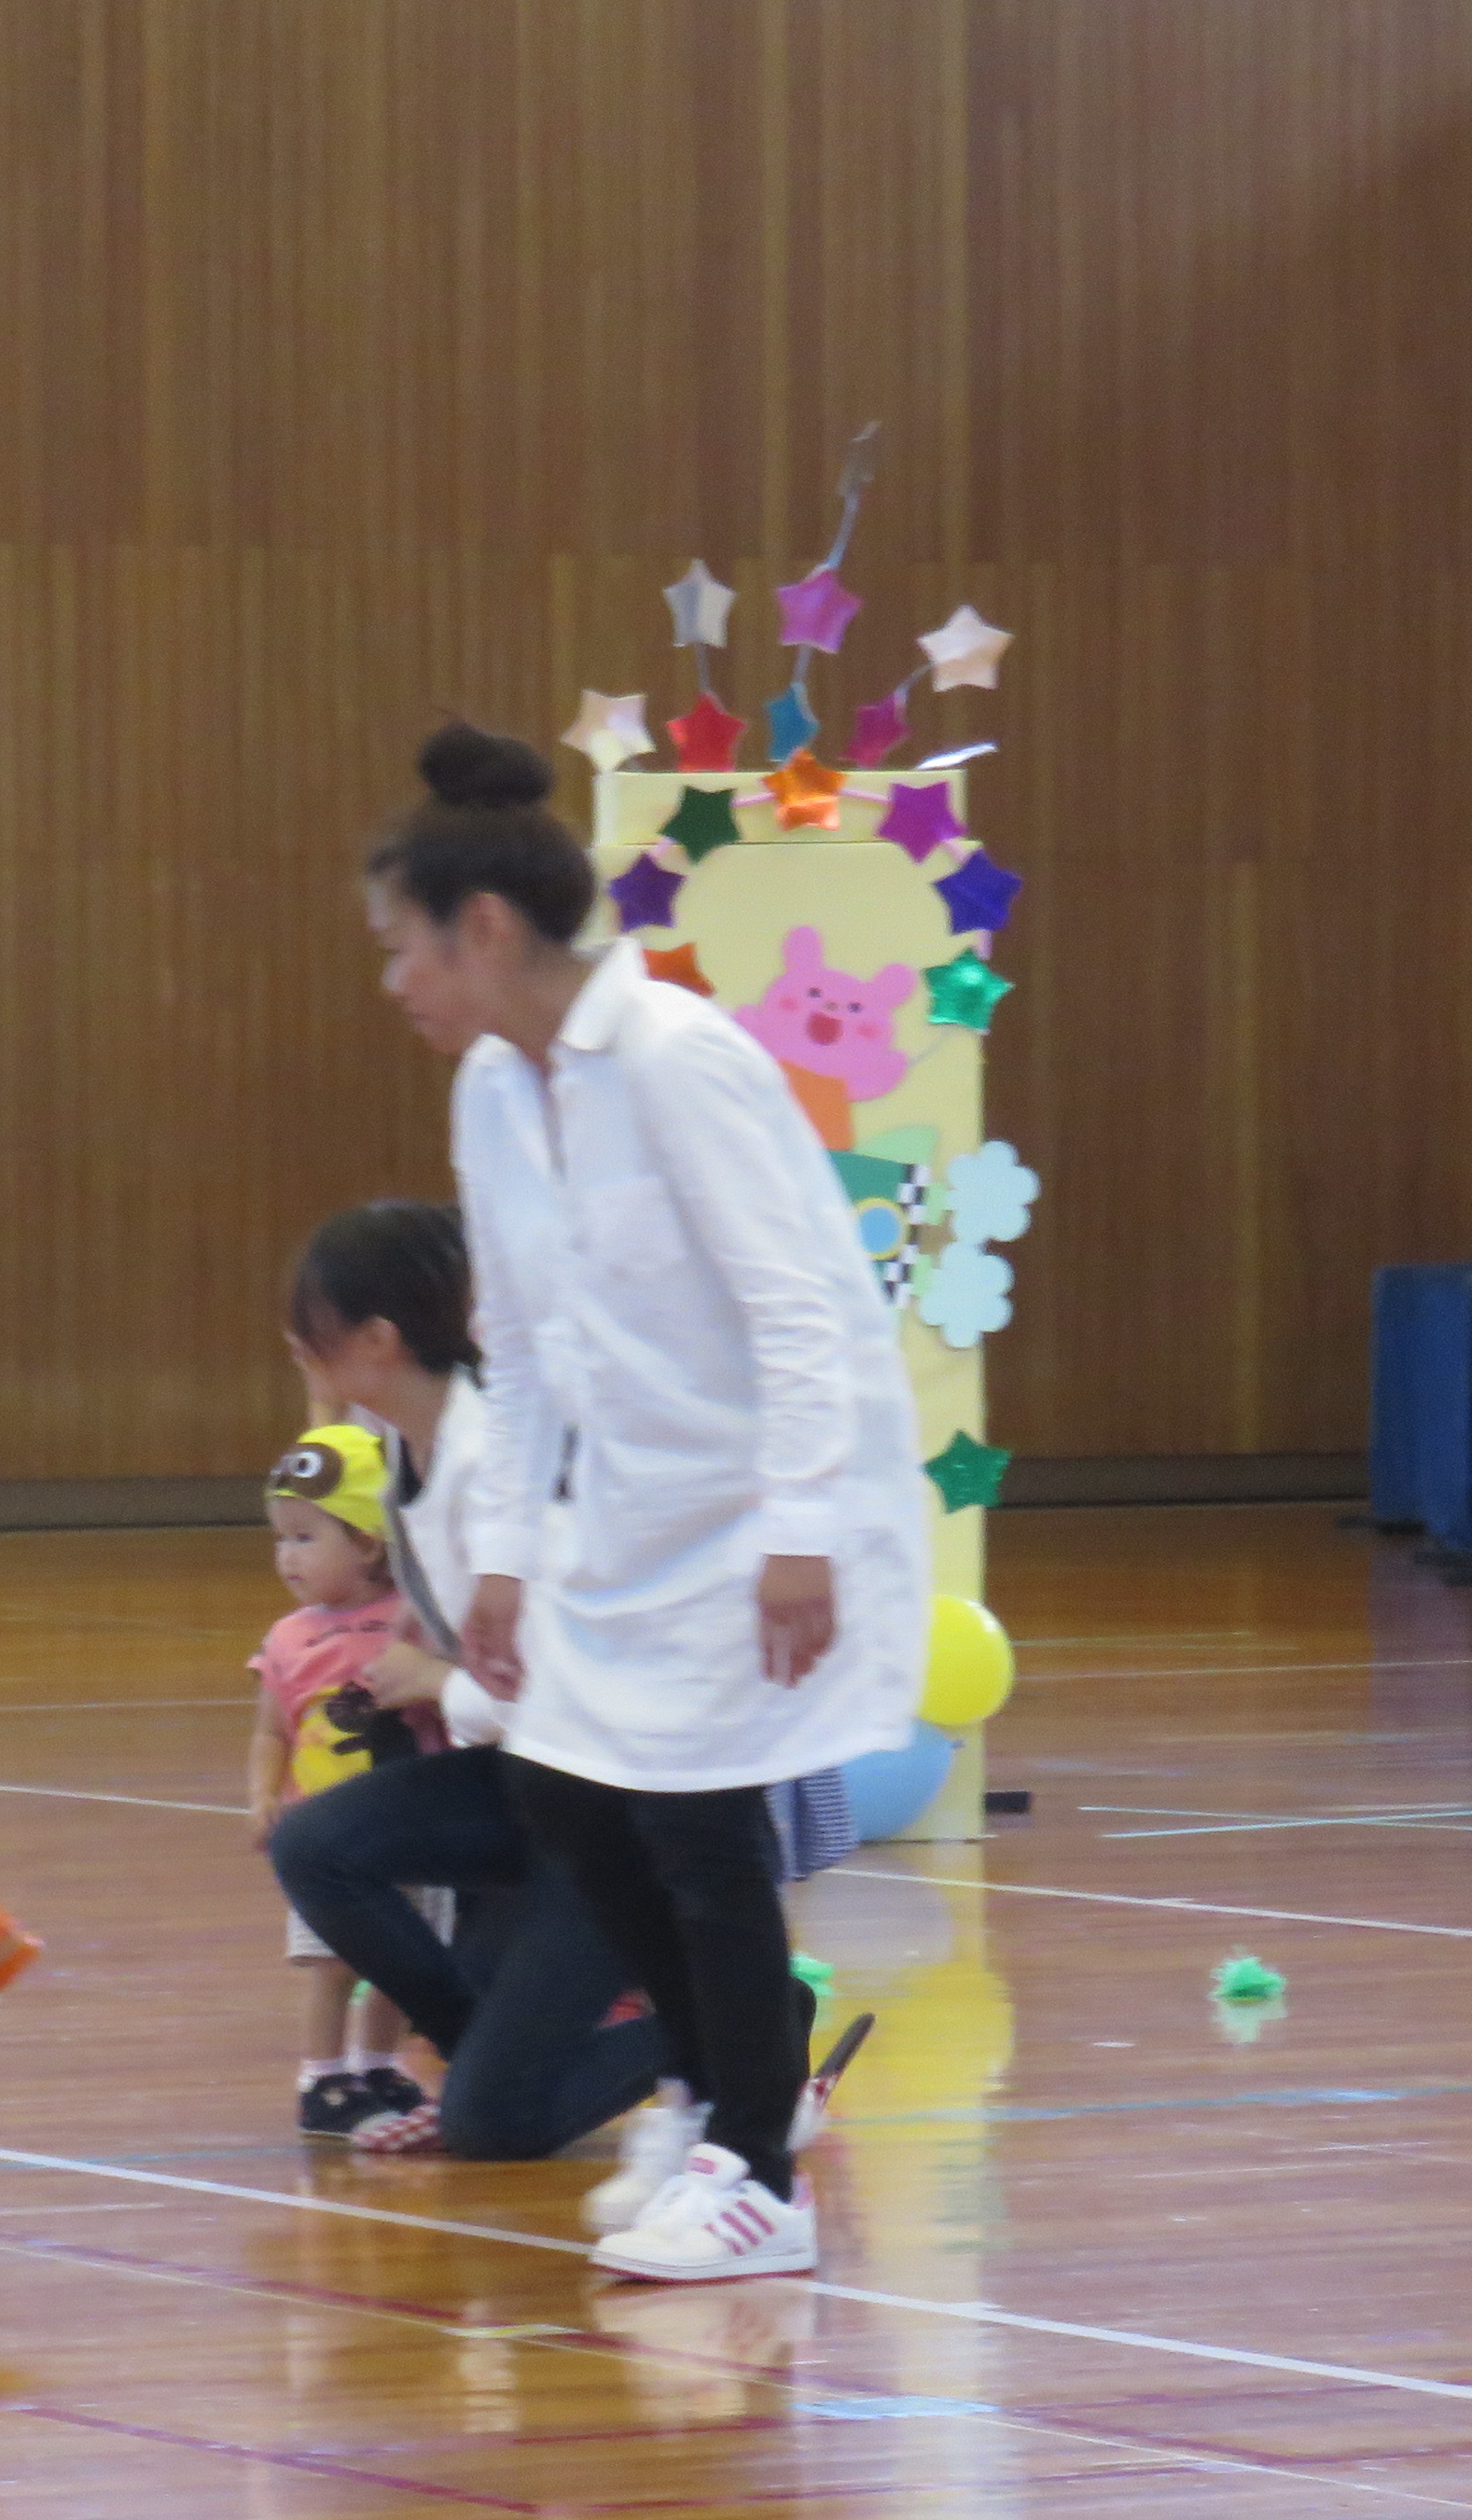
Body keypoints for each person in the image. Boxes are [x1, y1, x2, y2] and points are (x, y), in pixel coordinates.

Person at [366, 723, 927, 2282]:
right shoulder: (494, 1087)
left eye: (402, 946)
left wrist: (799, 1530)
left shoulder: (680, 1061)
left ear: (482, 930)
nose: (394, 981)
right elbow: (528, 1346)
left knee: (695, 1827)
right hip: (620, 1509)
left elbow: (801, 1311)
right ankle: (710, 2095)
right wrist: (502, 1562)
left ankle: (758, 2164)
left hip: (759, 1507)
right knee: (558, 1789)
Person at [268, 1204, 666, 2163]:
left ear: (378, 1340)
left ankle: (745, 2027)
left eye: (314, 1333)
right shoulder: (406, 1439)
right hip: (518, 1782)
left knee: (498, 2125)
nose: (297, 1351)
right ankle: (477, 2047)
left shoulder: (497, 1462)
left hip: (604, 1803)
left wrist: (435, 1681)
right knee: (317, 1844)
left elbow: (562, 1684)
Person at [248, 1423, 445, 2140]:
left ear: (368, 1541)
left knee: (397, 1952)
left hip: (405, 1826)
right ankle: (322, 2076)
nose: (286, 1557)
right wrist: (263, 1797)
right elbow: (272, 1730)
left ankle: (377, 2063)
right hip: (322, 1832)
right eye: (281, 1538)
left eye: (306, 1537)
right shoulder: (287, 1639)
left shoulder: (410, 1623)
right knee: (331, 1961)